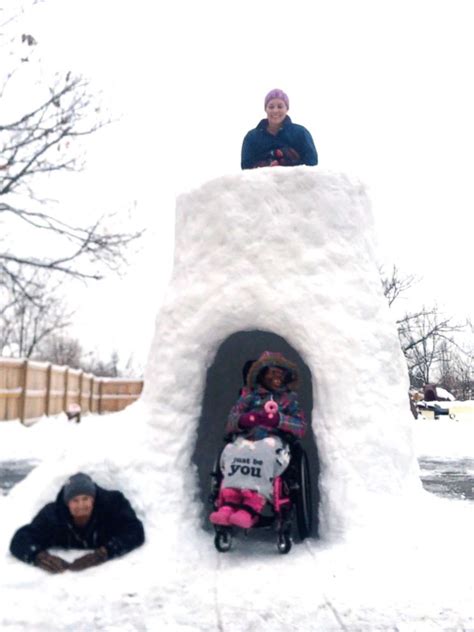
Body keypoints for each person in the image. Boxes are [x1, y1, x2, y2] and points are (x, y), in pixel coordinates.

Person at [210, 351, 306, 529]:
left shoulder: (289, 401)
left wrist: (279, 420)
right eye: (272, 372)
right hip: (246, 439)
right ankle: (229, 502)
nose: (277, 376)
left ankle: (251, 508)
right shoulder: (248, 397)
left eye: (281, 373)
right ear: (261, 375)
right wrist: (243, 420)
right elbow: (231, 421)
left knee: (265, 452)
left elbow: (300, 427)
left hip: (274, 442)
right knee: (231, 451)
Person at [10, 472, 145, 573]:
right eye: (75, 500)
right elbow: (21, 539)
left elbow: (134, 531)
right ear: (67, 503)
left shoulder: (112, 506)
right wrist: (39, 557)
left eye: (85, 498)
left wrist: (104, 553)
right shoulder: (54, 515)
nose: (81, 505)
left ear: (93, 499)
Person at [241, 89, 318, 169]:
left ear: (287, 109)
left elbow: (311, 164)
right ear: (265, 109)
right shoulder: (252, 137)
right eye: (271, 107)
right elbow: (246, 168)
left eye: (280, 106)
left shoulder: (301, 133)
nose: (275, 110)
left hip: (295, 181)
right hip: (262, 181)